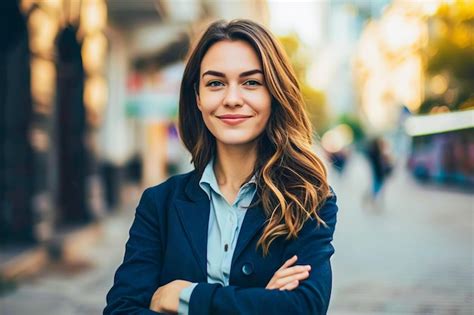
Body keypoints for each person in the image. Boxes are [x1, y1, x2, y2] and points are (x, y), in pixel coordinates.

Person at [104, 19, 338, 315]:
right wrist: (259, 302)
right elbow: (121, 310)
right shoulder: (159, 204)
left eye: (251, 82)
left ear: (274, 94)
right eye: (215, 83)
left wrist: (184, 296)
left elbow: (303, 308)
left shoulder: (308, 199)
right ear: (198, 98)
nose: (231, 99)